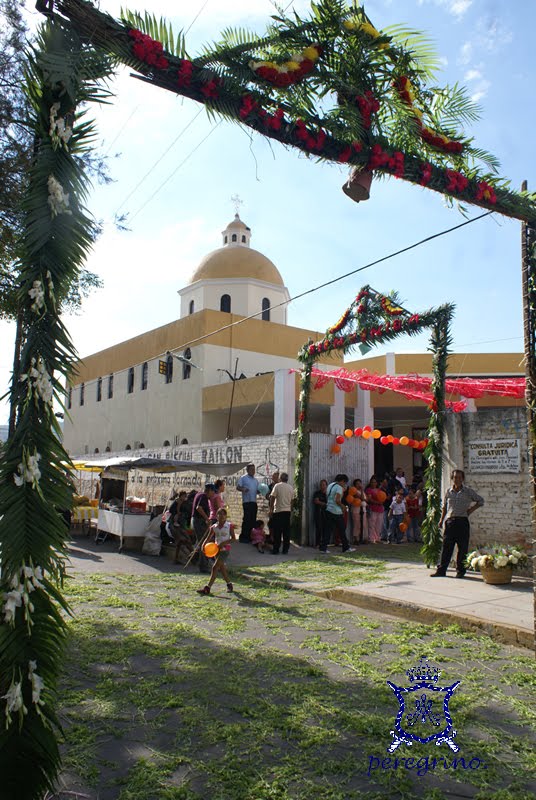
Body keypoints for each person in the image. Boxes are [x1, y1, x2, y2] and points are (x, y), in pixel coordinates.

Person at [431, 469, 484, 578]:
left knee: (462, 548)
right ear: (452, 478)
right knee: (447, 547)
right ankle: (441, 570)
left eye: (459, 477)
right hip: (450, 522)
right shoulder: (448, 491)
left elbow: (480, 501)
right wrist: (441, 520)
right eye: (455, 477)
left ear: (463, 479)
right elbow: (445, 507)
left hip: (462, 522)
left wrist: (470, 510)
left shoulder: (468, 491)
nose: (457, 479)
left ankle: (460, 571)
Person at [197, 508, 236, 595]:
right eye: (219, 514)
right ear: (216, 516)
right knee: (221, 568)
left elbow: (233, 539)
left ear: (226, 516)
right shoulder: (214, 527)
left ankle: (207, 588)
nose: (221, 516)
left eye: (223, 514)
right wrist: (203, 545)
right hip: (216, 550)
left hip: (225, 550)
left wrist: (224, 543)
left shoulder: (229, 526)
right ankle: (229, 584)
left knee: (215, 567)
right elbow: (208, 537)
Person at [321, 474, 355, 554]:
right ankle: (346, 547)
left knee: (328, 530)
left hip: (328, 509)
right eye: (345, 482)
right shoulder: (339, 487)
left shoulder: (330, 485)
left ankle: (323, 547)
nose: (345, 484)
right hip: (336, 511)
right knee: (342, 529)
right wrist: (343, 507)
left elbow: (328, 496)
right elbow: (337, 500)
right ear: (342, 481)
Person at [191, 483, 216, 573]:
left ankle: (194, 559)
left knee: (200, 541)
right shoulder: (203, 496)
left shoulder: (200, 494)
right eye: (213, 492)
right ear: (209, 491)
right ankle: (203, 566)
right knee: (204, 543)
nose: (213, 495)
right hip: (199, 521)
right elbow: (199, 508)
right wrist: (207, 519)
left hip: (197, 521)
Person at [269, 472, 295, 555]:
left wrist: (271, 509)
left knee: (277, 532)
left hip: (278, 511)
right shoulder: (291, 488)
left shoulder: (277, 486)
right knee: (286, 532)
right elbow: (292, 501)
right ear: (287, 479)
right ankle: (285, 549)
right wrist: (290, 509)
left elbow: (272, 497)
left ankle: (276, 549)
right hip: (287, 512)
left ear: (280, 478)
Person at [236, 463, 259, 543]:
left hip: (253, 502)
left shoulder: (256, 480)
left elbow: (257, 491)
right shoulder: (243, 478)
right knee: (246, 520)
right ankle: (244, 537)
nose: (253, 471)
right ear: (247, 470)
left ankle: (251, 537)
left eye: (254, 469)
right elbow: (238, 487)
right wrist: (243, 489)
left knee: (253, 520)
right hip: (246, 502)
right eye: (252, 469)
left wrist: (259, 491)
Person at [365, 477, 384, 544]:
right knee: (371, 524)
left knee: (379, 524)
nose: (374, 483)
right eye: (372, 482)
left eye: (375, 482)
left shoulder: (379, 490)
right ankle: (371, 538)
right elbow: (369, 499)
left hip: (380, 509)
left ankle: (378, 538)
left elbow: (383, 497)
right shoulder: (368, 490)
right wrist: (377, 502)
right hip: (372, 508)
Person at [350, 478, 367, 545]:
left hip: (363, 510)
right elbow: (362, 498)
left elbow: (365, 499)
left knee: (363, 525)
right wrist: (362, 490)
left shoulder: (362, 491)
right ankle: (356, 539)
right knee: (356, 524)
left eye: (360, 483)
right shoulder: (354, 491)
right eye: (357, 484)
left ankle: (362, 538)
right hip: (356, 510)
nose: (359, 485)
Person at [312, 479, 328, 547]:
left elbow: (329, 503)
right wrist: (324, 504)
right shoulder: (317, 493)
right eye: (321, 485)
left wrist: (321, 503)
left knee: (326, 529)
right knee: (318, 528)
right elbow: (316, 501)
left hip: (327, 513)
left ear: (326, 485)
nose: (322, 486)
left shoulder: (328, 493)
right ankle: (317, 543)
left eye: (324, 485)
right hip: (318, 513)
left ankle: (324, 544)